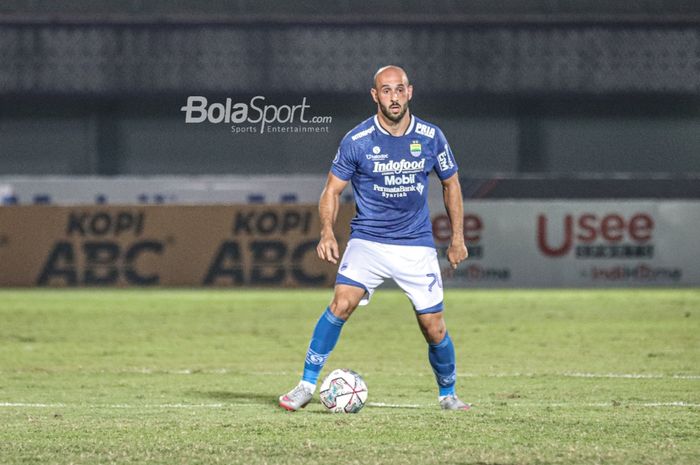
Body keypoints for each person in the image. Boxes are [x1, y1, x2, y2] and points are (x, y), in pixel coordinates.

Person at [279, 65, 470, 411]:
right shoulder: (357, 140)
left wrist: (457, 237)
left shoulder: (430, 136)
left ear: (409, 92)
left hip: (415, 244)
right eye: (386, 90)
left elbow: (451, 183)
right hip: (368, 240)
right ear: (375, 95)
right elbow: (331, 190)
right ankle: (306, 385)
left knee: (434, 328)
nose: (394, 97)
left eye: (399, 90)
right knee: (341, 303)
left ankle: (448, 394)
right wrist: (326, 231)